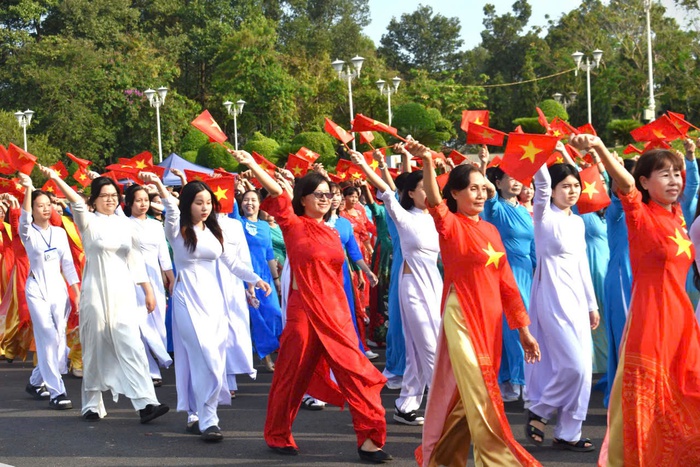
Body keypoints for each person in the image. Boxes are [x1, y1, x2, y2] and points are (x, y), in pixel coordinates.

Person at [230, 150, 391, 464]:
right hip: (303, 312)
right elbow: (277, 193)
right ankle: (278, 434)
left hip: (336, 313)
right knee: (291, 375)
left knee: (356, 373)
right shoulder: (292, 224)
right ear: (302, 198)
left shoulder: (334, 230)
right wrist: (253, 166)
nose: (326, 198)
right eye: (318, 194)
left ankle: (370, 439)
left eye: (329, 194)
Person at [568, 135, 700, 466]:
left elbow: (692, 183)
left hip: (681, 322)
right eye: (665, 174)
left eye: (676, 173)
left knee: (688, 392)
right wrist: (599, 148)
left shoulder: (678, 216)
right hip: (650, 322)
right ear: (645, 181)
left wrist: (690, 157)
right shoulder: (640, 215)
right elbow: (624, 185)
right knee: (649, 404)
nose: (674, 180)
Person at [408, 142, 541, 467]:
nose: (481, 194)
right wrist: (427, 161)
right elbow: (435, 201)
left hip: (491, 320)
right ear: (455, 193)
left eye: (484, 188)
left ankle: (441, 458)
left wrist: (524, 330)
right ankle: (500, 460)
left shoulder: (492, 231)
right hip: (462, 314)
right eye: (473, 188)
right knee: (480, 389)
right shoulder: (450, 225)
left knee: (467, 394)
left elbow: (508, 285)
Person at [142, 172, 270, 442]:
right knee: (204, 356)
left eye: (208, 202)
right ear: (188, 204)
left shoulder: (214, 231)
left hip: (214, 300)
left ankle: (198, 412)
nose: (204, 207)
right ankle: (208, 418)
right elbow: (171, 212)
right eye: (199, 202)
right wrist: (158, 187)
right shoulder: (176, 231)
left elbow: (232, 263)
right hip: (186, 298)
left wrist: (256, 279)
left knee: (214, 357)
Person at [41, 165, 169, 423]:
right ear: (94, 199)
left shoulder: (125, 224)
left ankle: (146, 404)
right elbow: (76, 203)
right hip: (95, 292)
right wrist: (56, 178)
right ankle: (91, 404)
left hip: (122, 292)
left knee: (131, 345)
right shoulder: (88, 221)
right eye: (104, 195)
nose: (110, 199)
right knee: (95, 347)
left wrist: (147, 290)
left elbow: (134, 259)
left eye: (113, 195)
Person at [352, 150, 441, 427]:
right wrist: (366, 164)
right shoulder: (403, 216)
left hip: (435, 287)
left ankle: (406, 405)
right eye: (423, 188)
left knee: (417, 349)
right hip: (412, 288)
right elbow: (385, 189)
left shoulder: (437, 218)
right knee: (430, 348)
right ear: (412, 193)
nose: (430, 192)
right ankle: (446, 408)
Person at [524, 155, 599, 452]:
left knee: (584, 369)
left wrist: (592, 305)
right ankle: (541, 410)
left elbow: (582, 265)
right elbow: (540, 184)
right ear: (553, 190)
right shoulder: (543, 216)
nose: (572, 191)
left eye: (575, 186)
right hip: (551, 296)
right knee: (574, 367)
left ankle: (569, 433)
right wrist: (541, 152)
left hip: (578, 300)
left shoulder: (578, 222)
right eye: (565, 186)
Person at [17, 173, 80, 409]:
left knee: (58, 340)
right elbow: (23, 221)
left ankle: (35, 382)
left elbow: (68, 267)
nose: (45, 209)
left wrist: (76, 292)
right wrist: (29, 188)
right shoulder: (29, 233)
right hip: (36, 289)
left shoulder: (60, 232)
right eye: (39, 206)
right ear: (32, 209)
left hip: (58, 290)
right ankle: (57, 392)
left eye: (48, 205)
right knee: (47, 337)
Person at [481, 147, 536, 404]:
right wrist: (482, 164)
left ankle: (526, 379)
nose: (516, 182)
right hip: (505, 274)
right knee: (512, 328)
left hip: (528, 274)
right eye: (510, 178)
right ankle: (515, 382)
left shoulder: (526, 211)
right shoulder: (495, 208)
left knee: (527, 326)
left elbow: (534, 248)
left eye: (519, 178)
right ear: (498, 182)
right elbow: (487, 194)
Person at [124, 185, 174, 387]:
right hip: (134, 278)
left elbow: (164, 255)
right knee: (141, 324)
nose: (143, 204)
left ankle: (158, 357)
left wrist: (171, 280)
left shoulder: (156, 225)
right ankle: (151, 371)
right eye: (138, 200)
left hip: (155, 277)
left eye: (145, 200)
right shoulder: (124, 224)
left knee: (159, 324)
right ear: (129, 203)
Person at [238, 190, 283, 371]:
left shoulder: (265, 226)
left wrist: (276, 279)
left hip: (265, 277)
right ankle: (265, 359)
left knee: (274, 313)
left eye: (253, 200)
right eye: (246, 200)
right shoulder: (237, 223)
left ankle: (273, 351)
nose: (250, 203)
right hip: (244, 276)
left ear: (260, 204)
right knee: (254, 318)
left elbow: (269, 254)